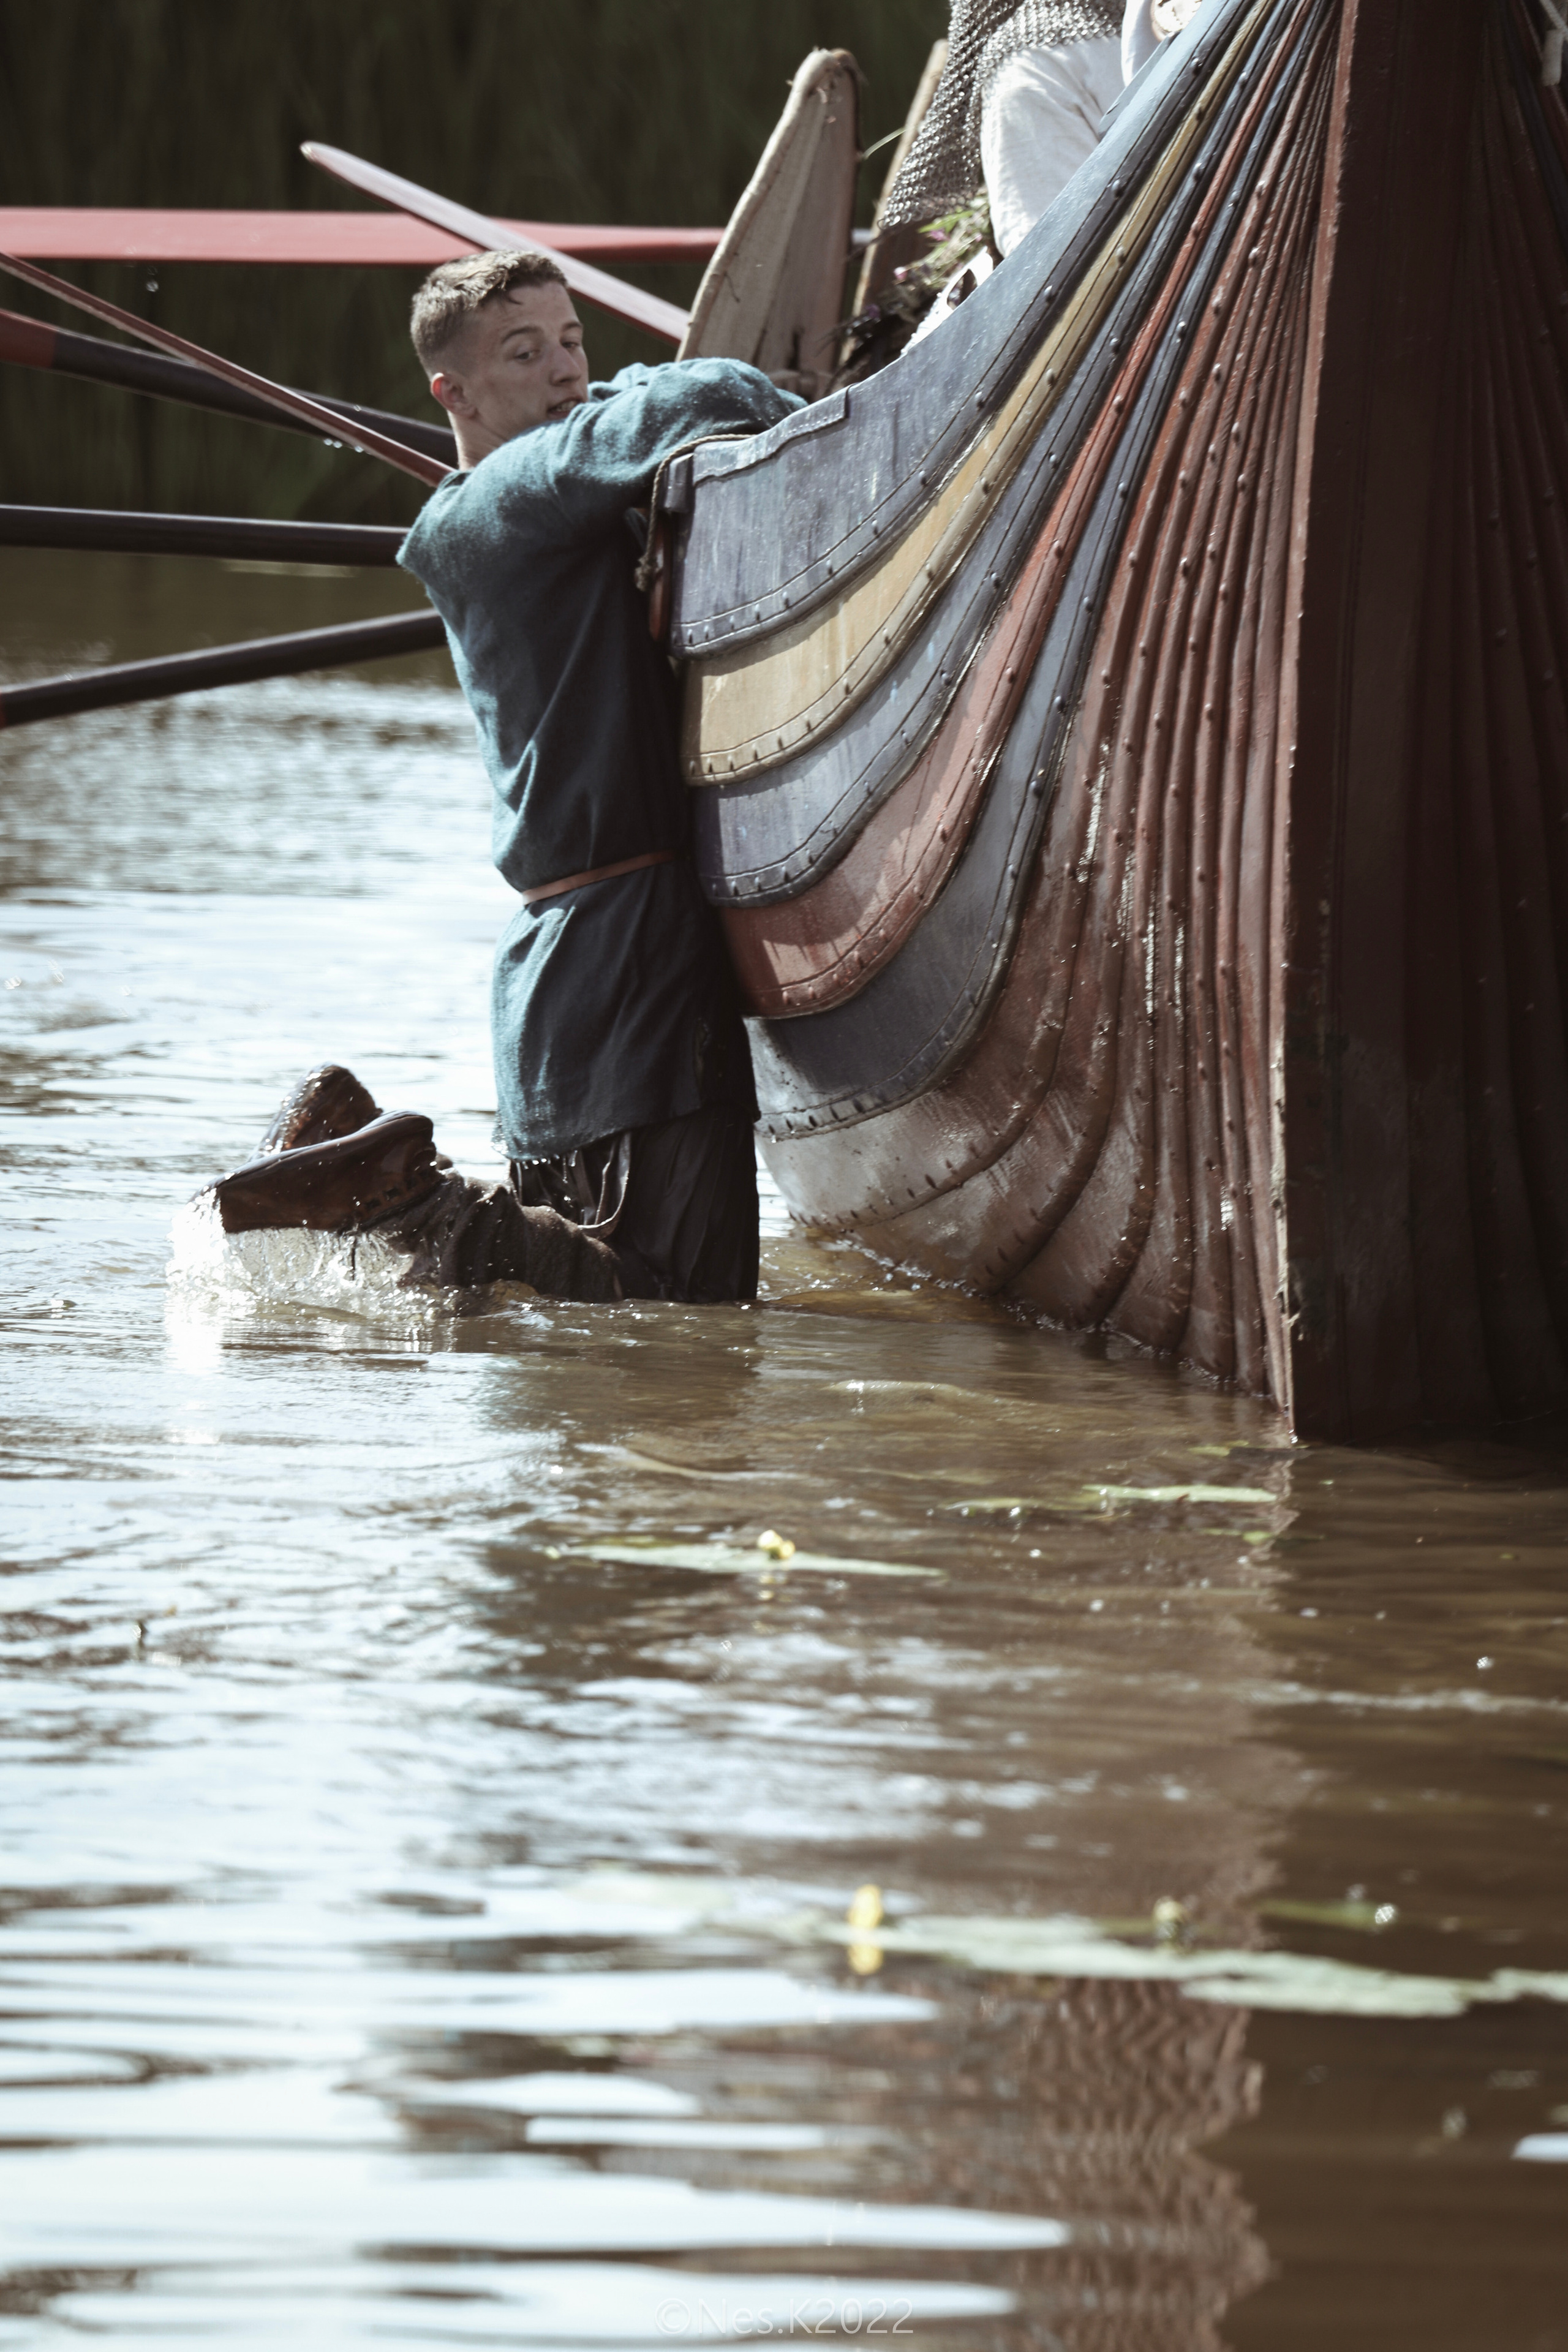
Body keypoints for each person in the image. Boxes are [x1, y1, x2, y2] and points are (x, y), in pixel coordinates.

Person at [195, 251, 800, 1303]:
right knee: (684, 1301)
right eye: (525, 353)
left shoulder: (497, 510)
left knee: (572, 1314)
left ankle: (359, 1154)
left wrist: (600, 394)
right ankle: (404, 1194)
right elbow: (719, 392)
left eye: (574, 343)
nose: (566, 374)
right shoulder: (521, 492)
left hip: (561, 983)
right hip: (633, 956)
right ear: (453, 393)